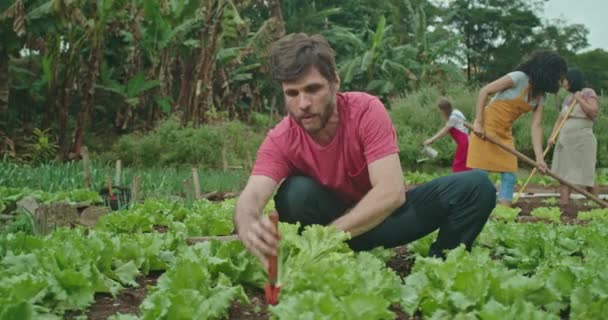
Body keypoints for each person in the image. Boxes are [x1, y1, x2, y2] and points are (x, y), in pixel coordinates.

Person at [233, 33, 496, 268]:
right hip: (330, 226)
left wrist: (327, 238)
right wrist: (247, 223)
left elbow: (391, 193)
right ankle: (323, 266)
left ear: (335, 83)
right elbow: (253, 194)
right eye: (292, 93)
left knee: (477, 186)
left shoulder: (366, 110)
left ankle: (443, 269)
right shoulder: (281, 137)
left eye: (313, 89)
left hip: (382, 221)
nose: (303, 103)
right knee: (295, 192)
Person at [467, 50, 567, 208]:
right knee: (480, 175)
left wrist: (539, 158)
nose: (559, 81)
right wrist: (478, 122)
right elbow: (484, 91)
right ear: (547, 72)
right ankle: (474, 209)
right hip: (485, 128)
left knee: (509, 175)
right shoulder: (518, 78)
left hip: (504, 133)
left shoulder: (541, 96)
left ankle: (503, 213)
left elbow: (536, 125)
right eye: (557, 76)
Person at [548, 68, 599, 207]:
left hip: (582, 141)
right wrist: (552, 137)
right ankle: (564, 206)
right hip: (566, 141)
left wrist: (580, 99)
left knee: (586, 174)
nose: (562, 83)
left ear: (571, 80)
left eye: (564, 80)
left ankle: (598, 205)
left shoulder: (588, 92)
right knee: (563, 175)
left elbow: (593, 112)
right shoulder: (567, 98)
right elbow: (560, 120)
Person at [423, 98, 471, 173]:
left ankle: (459, 181)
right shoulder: (456, 111)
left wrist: (431, 140)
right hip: (467, 139)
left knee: (458, 165)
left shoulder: (453, 118)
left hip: (464, 142)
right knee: (466, 164)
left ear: (443, 109)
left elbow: (444, 131)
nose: (440, 112)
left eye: (440, 110)